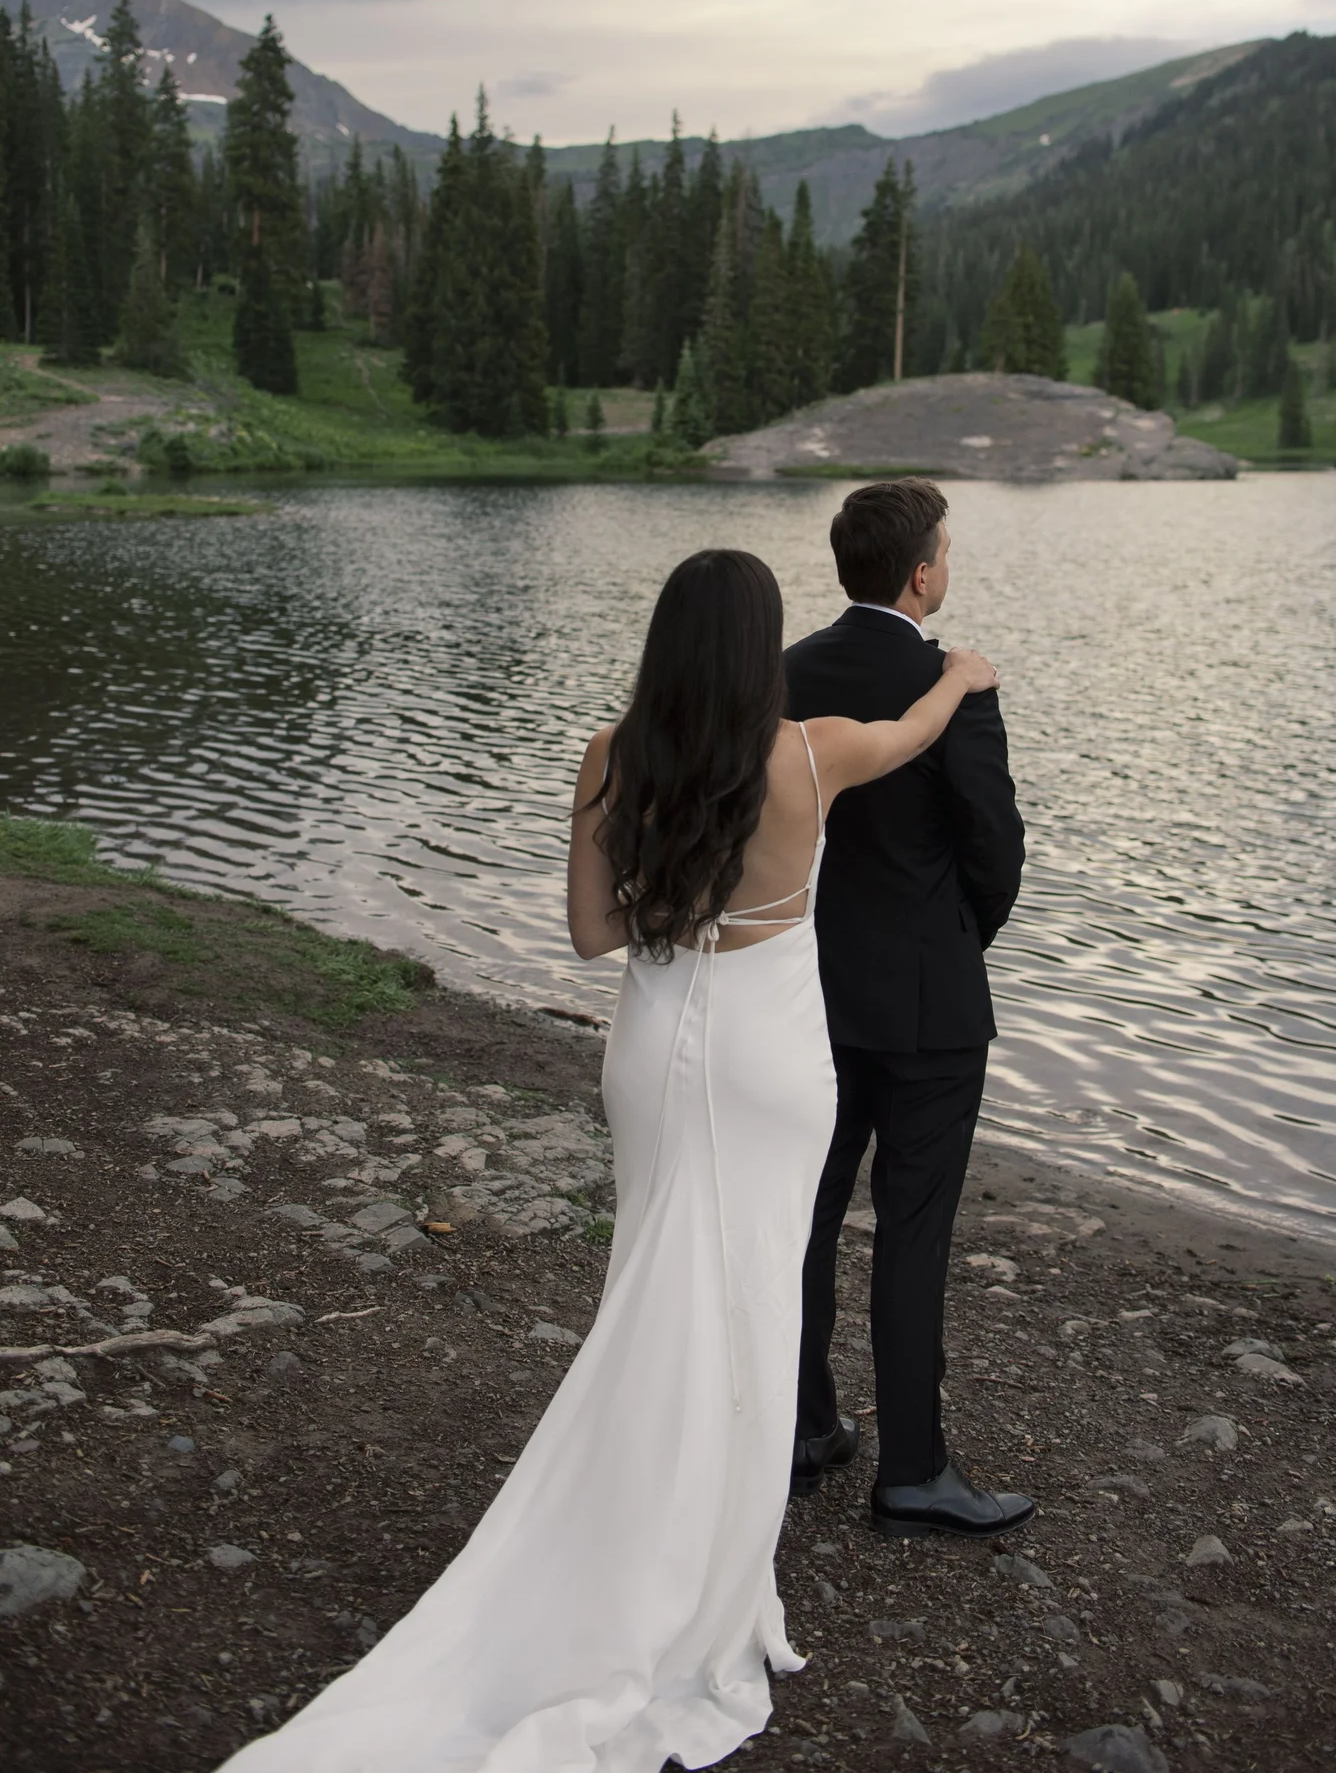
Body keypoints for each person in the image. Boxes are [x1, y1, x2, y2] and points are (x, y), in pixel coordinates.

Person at [218, 546, 999, 1773]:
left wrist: (676, 909)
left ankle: (637, 1503)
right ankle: (708, 1550)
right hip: (770, 1060)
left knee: (654, 1274)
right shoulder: (812, 754)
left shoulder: (610, 754)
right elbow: (915, 732)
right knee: (749, 1287)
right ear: (759, 649)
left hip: (654, 1044)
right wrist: (959, 675)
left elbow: (591, 935)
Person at [785, 480, 1033, 1539]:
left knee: (806, 1215)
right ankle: (914, 1471)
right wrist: (956, 940)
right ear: (923, 573)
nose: (949, 565)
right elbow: (994, 847)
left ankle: (804, 1428)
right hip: (931, 1005)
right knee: (913, 1230)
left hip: (808, 992)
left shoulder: (787, 670)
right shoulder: (950, 682)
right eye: (947, 551)